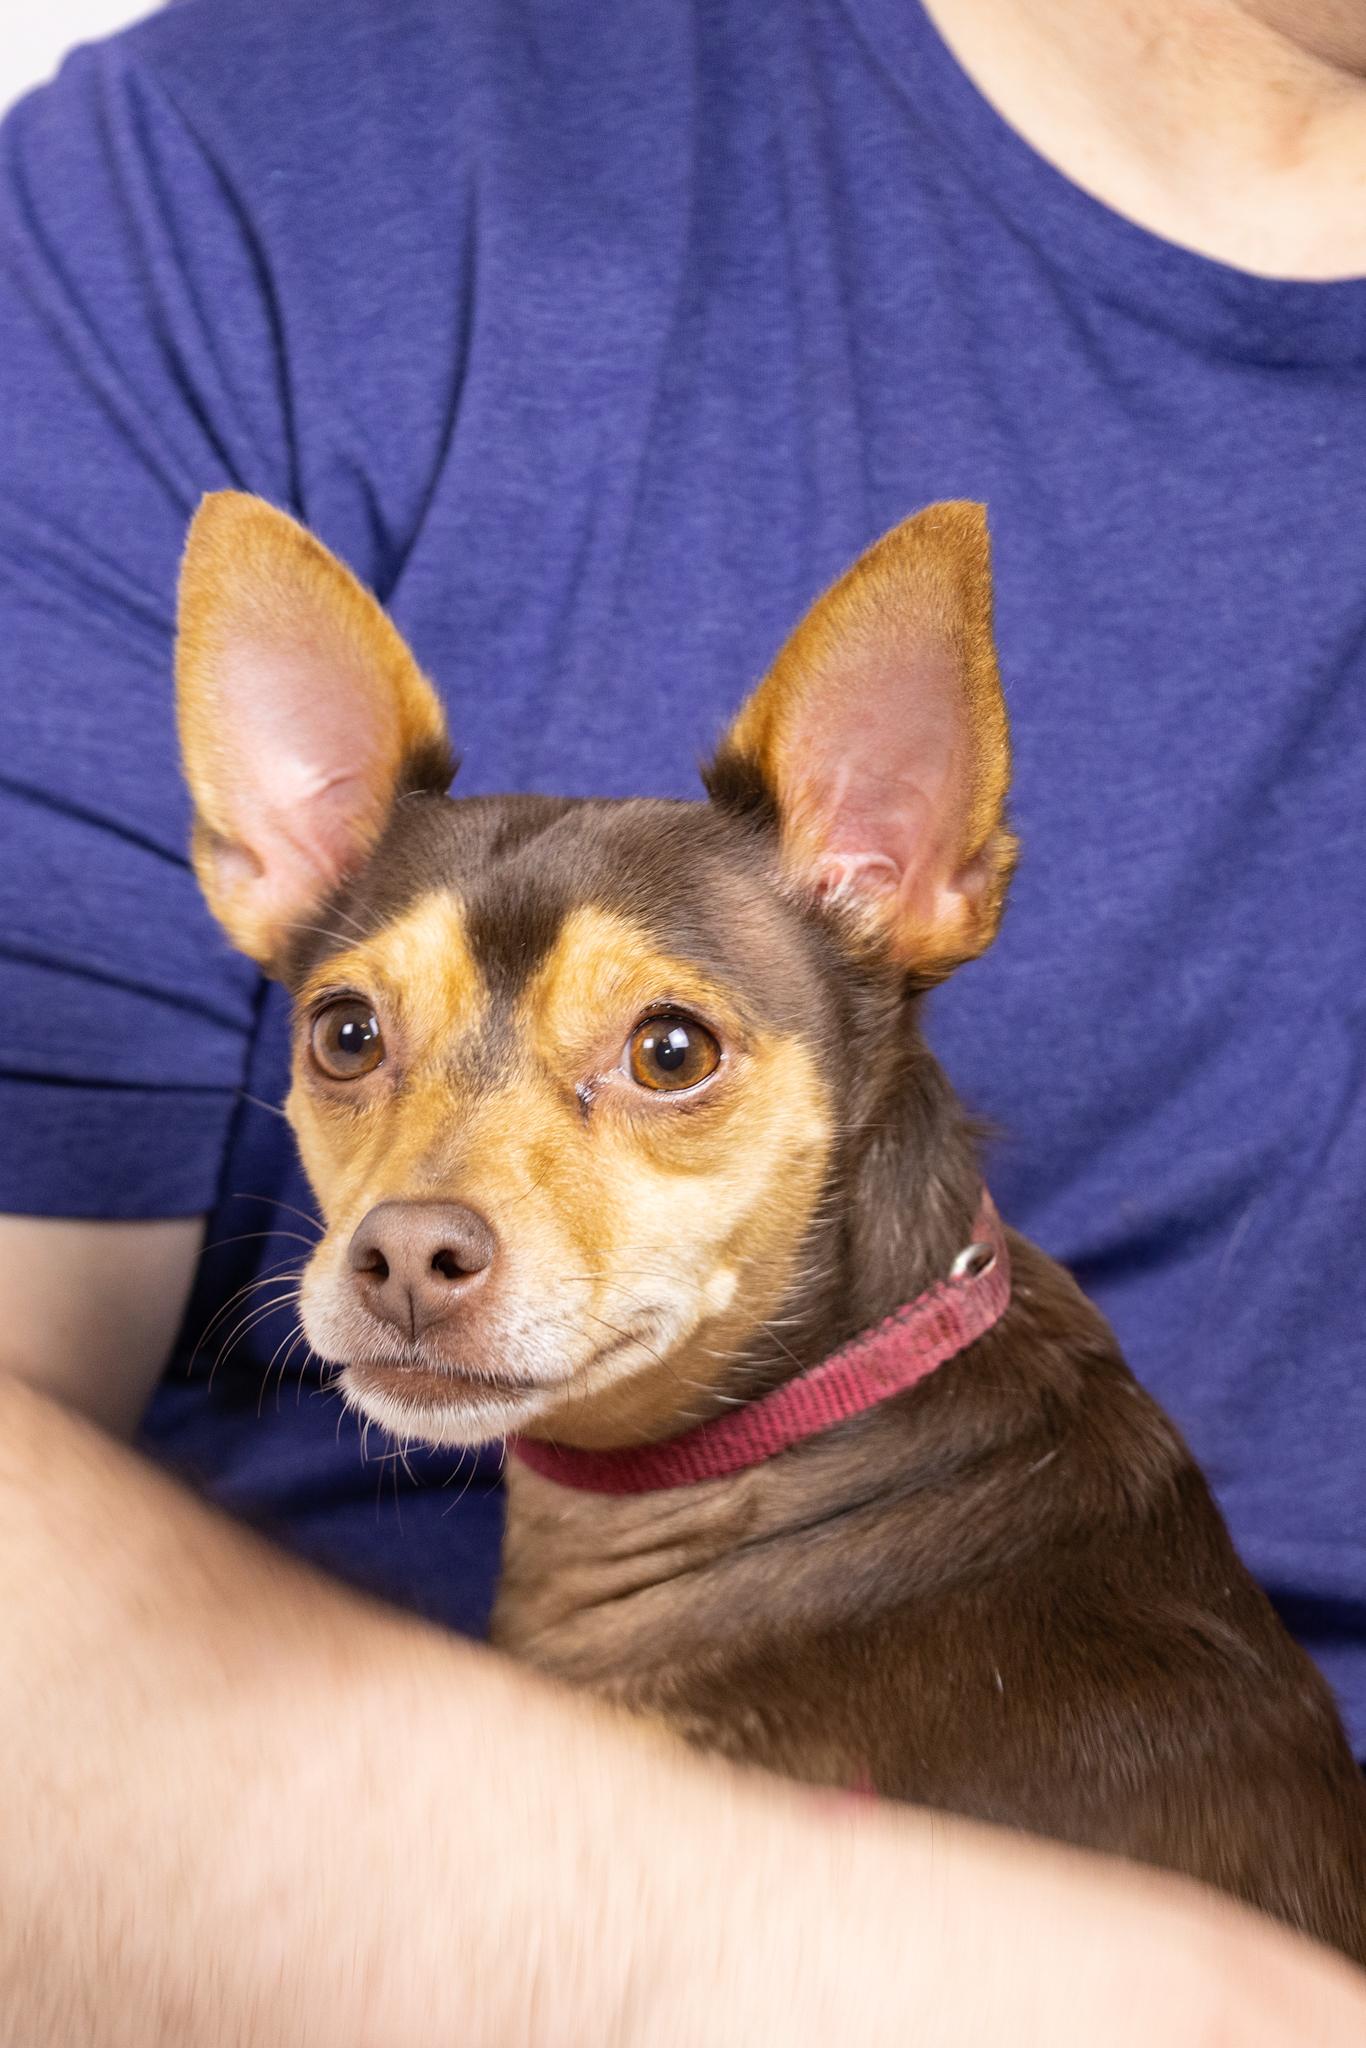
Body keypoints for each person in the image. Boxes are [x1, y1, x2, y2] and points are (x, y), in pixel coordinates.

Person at [1, 0, 1364, 2039]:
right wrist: (706, 1946)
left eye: (658, 1058)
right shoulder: (267, 177)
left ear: (908, 862)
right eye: (354, 1041)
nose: (425, 1200)